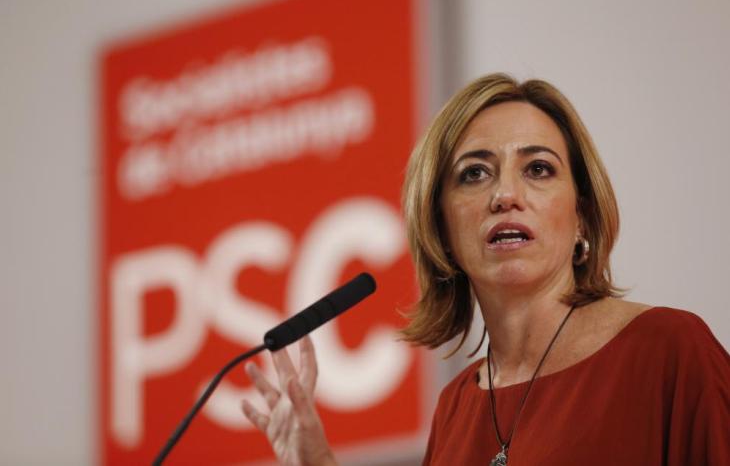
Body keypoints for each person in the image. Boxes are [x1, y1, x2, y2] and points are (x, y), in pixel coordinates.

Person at [241, 73, 730, 465]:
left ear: (581, 214)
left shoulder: (669, 351)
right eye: (474, 173)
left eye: (538, 169)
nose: (505, 195)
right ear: (441, 228)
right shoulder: (456, 408)